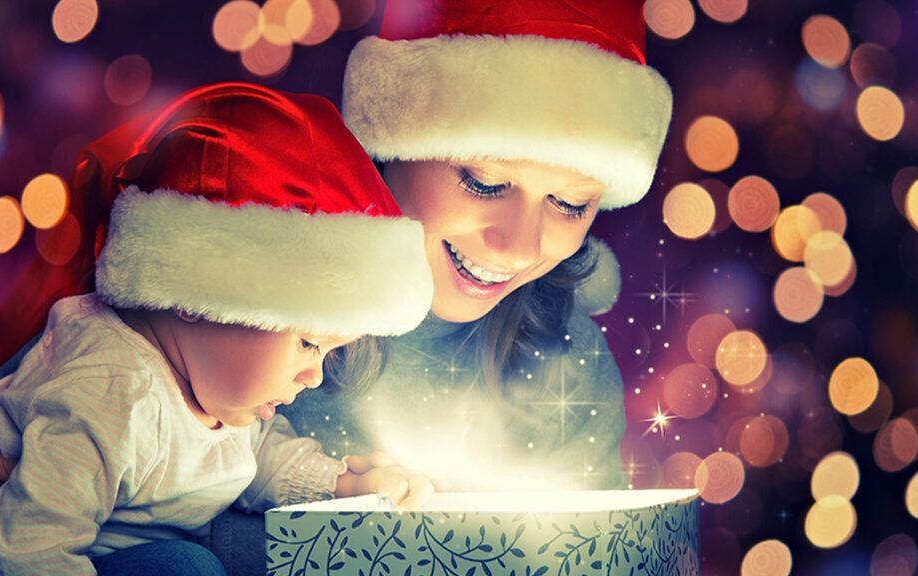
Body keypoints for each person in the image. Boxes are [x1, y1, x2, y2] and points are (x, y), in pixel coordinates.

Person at [215, 1, 674, 572]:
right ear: (394, 144)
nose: (521, 245)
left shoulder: (567, 362)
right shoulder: (243, 308)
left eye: (570, 202)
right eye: (484, 182)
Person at [0, 82, 436, 576]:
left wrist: (338, 484)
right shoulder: (113, 394)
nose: (313, 377)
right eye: (307, 343)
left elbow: (257, 455)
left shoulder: (219, 388)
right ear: (197, 297)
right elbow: (31, 549)